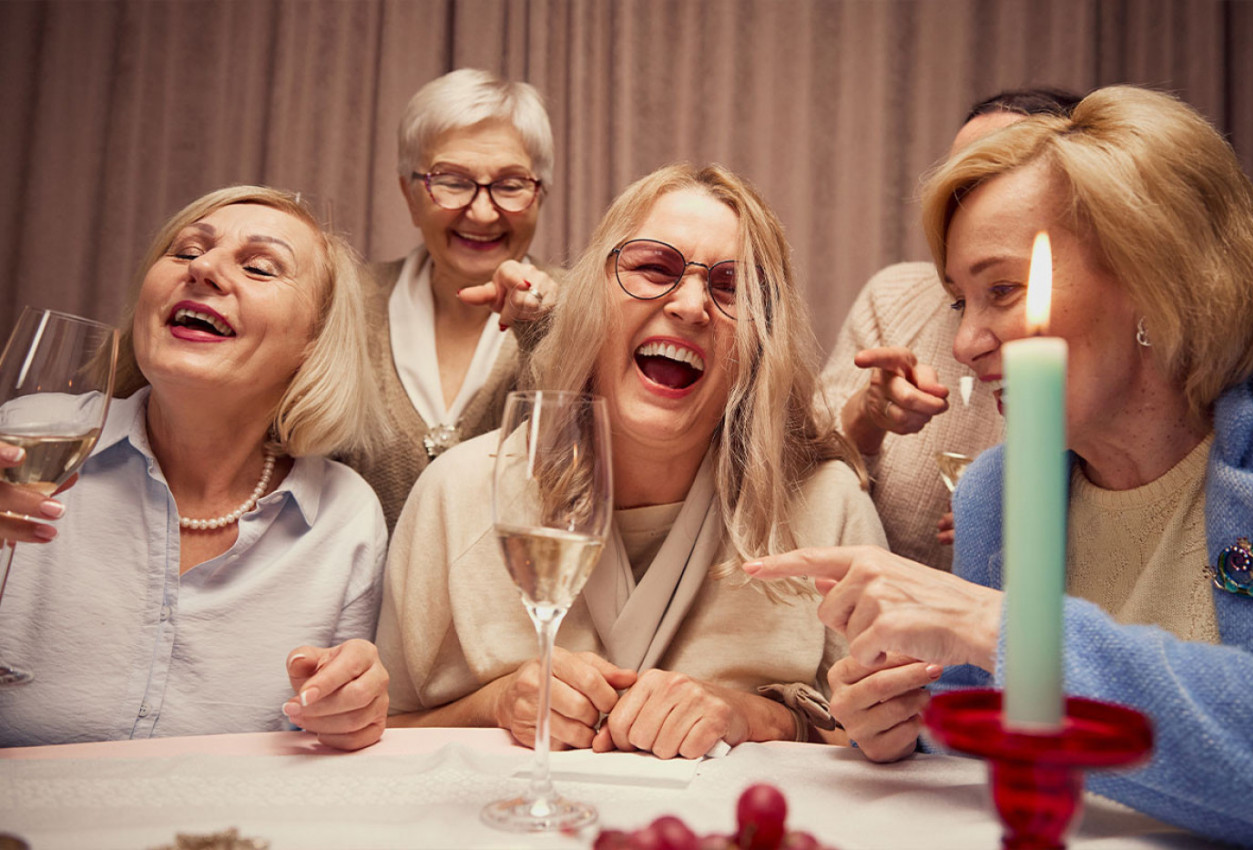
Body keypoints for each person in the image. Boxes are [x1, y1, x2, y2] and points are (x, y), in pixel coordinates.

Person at [746, 85, 1253, 847]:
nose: (964, 342)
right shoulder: (999, 493)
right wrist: (899, 721)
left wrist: (1001, 629)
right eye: (960, 300)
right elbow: (982, 738)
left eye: (1002, 290)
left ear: (1155, 276)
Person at [376, 164, 887, 758]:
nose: (692, 305)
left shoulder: (829, 508)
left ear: (762, 341)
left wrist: (755, 715)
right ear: (592, 298)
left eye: (731, 288)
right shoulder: (458, 492)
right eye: (653, 268)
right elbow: (377, 733)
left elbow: (884, 736)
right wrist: (490, 706)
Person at [0, 186, 390, 751]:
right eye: (184, 252)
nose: (203, 268)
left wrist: (353, 710)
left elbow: (332, 742)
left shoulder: (345, 516)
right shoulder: (25, 436)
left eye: (260, 267)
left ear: (314, 341)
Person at [820, 88, 1081, 572]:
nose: (961, 201)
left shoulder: (1083, 327)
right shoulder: (894, 299)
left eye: (994, 174)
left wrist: (1038, 526)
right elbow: (791, 484)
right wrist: (867, 416)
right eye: (956, 178)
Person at [344, 68, 559, 533]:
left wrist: (545, 329)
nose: (482, 212)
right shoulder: (343, 304)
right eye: (452, 180)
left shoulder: (582, 310)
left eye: (510, 184)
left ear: (540, 194)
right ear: (409, 193)